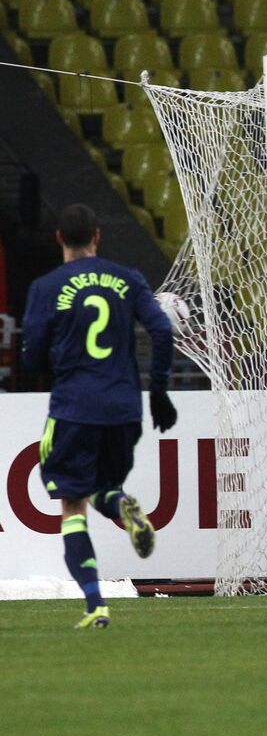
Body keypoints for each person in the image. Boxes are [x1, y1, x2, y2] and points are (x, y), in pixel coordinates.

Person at [21, 204, 178, 628]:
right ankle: (122, 504)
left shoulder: (47, 287)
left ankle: (96, 605)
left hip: (75, 406)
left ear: (58, 239)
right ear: (97, 236)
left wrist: (48, 355)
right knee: (103, 486)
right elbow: (162, 330)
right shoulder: (128, 278)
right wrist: (159, 392)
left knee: (72, 503)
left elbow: (33, 354)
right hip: (124, 409)